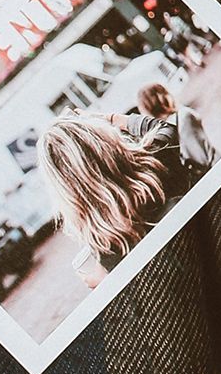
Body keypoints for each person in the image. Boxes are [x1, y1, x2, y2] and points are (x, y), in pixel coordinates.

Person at [38, 113, 199, 285]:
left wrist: (97, 283)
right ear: (101, 139)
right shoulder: (156, 162)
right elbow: (168, 129)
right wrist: (111, 118)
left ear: (65, 188)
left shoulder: (104, 241)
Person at [133, 82, 218, 172]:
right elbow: (204, 155)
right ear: (164, 97)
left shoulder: (159, 135)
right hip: (215, 167)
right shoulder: (183, 116)